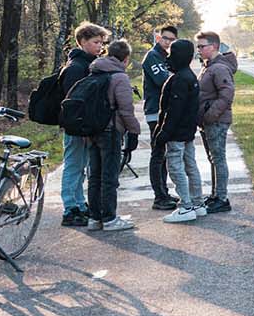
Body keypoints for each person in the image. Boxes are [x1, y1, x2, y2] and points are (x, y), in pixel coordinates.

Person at [88, 39, 142, 231]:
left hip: (92, 129)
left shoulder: (94, 70)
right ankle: (110, 218)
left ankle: (94, 218)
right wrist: (134, 131)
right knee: (110, 176)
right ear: (126, 58)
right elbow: (126, 110)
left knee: (94, 175)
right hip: (111, 131)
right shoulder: (119, 77)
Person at [60, 23, 109, 227]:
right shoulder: (76, 67)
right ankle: (70, 208)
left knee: (81, 166)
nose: (100, 46)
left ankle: (80, 204)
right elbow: (74, 103)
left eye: (101, 42)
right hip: (76, 127)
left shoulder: (87, 65)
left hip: (84, 126)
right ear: (82, 42)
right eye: (95, 42)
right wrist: (82, 127)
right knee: (73, 165)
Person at [157, 39, 206, 223]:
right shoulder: (189, 76)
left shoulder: (180, 79)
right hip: (187, 131)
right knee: (190, 165)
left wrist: (164, 133)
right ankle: (197, 202)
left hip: (177, 133)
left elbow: (174, 110)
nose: (168, 58)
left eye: (171, 54)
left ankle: (186, 206)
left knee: (176, 167)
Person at [196, 31, 237, 213]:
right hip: (208, 121)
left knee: (218, 158)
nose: (199, 49)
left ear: (213, 47)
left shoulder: (219, 68)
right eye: (198, 46)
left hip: (216, 121)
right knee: (213, 158)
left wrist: (210, 115)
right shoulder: (209, 66)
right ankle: (215, 195)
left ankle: (222, 197)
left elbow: (227, 94)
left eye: (201, 46)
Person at [141, 24, 178, 210]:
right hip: (155, 111)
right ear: (158, 38)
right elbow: (164, 81)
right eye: (166, 38)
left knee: (163, 155)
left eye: (172, 40)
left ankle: (164, 192)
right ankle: (159, 197)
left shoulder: (167, 57)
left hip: (165, 111)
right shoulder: (153, 57)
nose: (168, 42)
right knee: (157, 154)